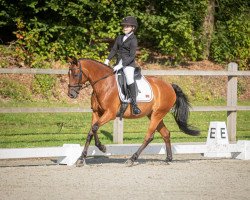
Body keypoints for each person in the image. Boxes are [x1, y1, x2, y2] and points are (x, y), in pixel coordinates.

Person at [104, 16, 141, 115]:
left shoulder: (133, 40)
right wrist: (107, 60)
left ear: (133, 28)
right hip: (117, 63)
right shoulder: (120, 37)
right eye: (124, 26)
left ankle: (134, 104)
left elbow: (132, 56)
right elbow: (114, 49)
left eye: (127, 26)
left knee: (129, 78)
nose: (125, 28)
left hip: (128, 64)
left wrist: (121, 66)